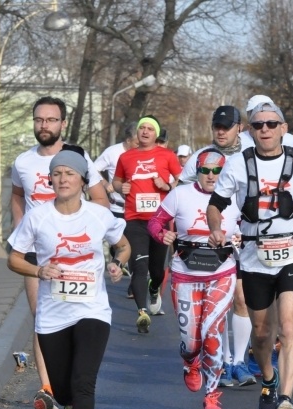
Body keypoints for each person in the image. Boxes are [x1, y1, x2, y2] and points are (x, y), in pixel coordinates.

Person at [7, 150, 130, 409]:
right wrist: (38, 270)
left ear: (82, 180)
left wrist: (118, 263)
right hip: (53, 315)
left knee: (84, 381)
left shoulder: (98, 215)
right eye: (57, 173)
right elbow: (14, 259)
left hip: (93, 310)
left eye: (69, 173)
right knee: (63, 392)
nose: (63, 179)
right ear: (50, 180)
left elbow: (122, 246)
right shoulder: (38, 217)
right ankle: (69, 405)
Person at [207, 101, 293, 409]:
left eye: (271, 124)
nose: (265, 129)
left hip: (292, 251)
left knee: (288, 327)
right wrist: (216, 228)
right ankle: (268, 378)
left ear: (283, 128)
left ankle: (286, 399)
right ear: (250, 130)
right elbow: (215, 204)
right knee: (262, 333)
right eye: (258, 125)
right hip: (254, 254)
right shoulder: (238, 164)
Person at [11, 96, 109, 409]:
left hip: (75, 253)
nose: (45, 125)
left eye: (51, 120)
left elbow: (100, 199)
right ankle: (48, 389)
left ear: (62, 123)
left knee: (75, 317)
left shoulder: (79, 157)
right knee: (42, 315)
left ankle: (70, 382)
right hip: (38, 252)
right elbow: (17, 196)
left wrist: (90, 228)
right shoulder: (23, 162)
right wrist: (21, 232)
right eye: (39, 119)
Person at [148, 149, 240, 409]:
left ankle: (212, 395)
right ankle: (190, 361)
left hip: (222, 273)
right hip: (186, 275)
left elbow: (249, 226)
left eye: (217, 171)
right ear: (197, 172)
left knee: (212, 334)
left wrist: (242, 239)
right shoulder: (180, 194)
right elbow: (155, 222)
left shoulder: (236, 196)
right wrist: (162, 235)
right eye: (206, 170)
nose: (211, 176)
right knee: (192, 343)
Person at [177, 106, 255, 387]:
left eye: (226, 127)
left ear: (239, 128)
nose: (221, 132)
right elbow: (181, 192)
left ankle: (239, 362)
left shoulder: (251, 154)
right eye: (216, 127)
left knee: (243, 299)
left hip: (243, 233)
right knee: (217, 305)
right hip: (210, 238)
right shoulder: (200, 157)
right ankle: (219, 362)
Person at [113, 115, 182, 333]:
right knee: (139, 266)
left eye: (150, 129)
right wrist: (120, 188)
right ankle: (142, 312)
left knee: (157, 271)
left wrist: (167, 186)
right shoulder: (126, 157)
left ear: (156, 134)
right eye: (142, 128)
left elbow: (182, 181)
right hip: (134, 219)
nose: (145, 131)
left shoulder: (167, 156)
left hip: (159, 220)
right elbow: (116, 180)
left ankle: (154, 289)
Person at [94, 122, 138, 219]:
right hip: (117, 210)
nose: (139, 146)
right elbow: (93, 169)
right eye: (137, 143)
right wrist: (105, 184)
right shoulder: (112, 152)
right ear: (128, 140)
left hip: (139, 210)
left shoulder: (143, 154)